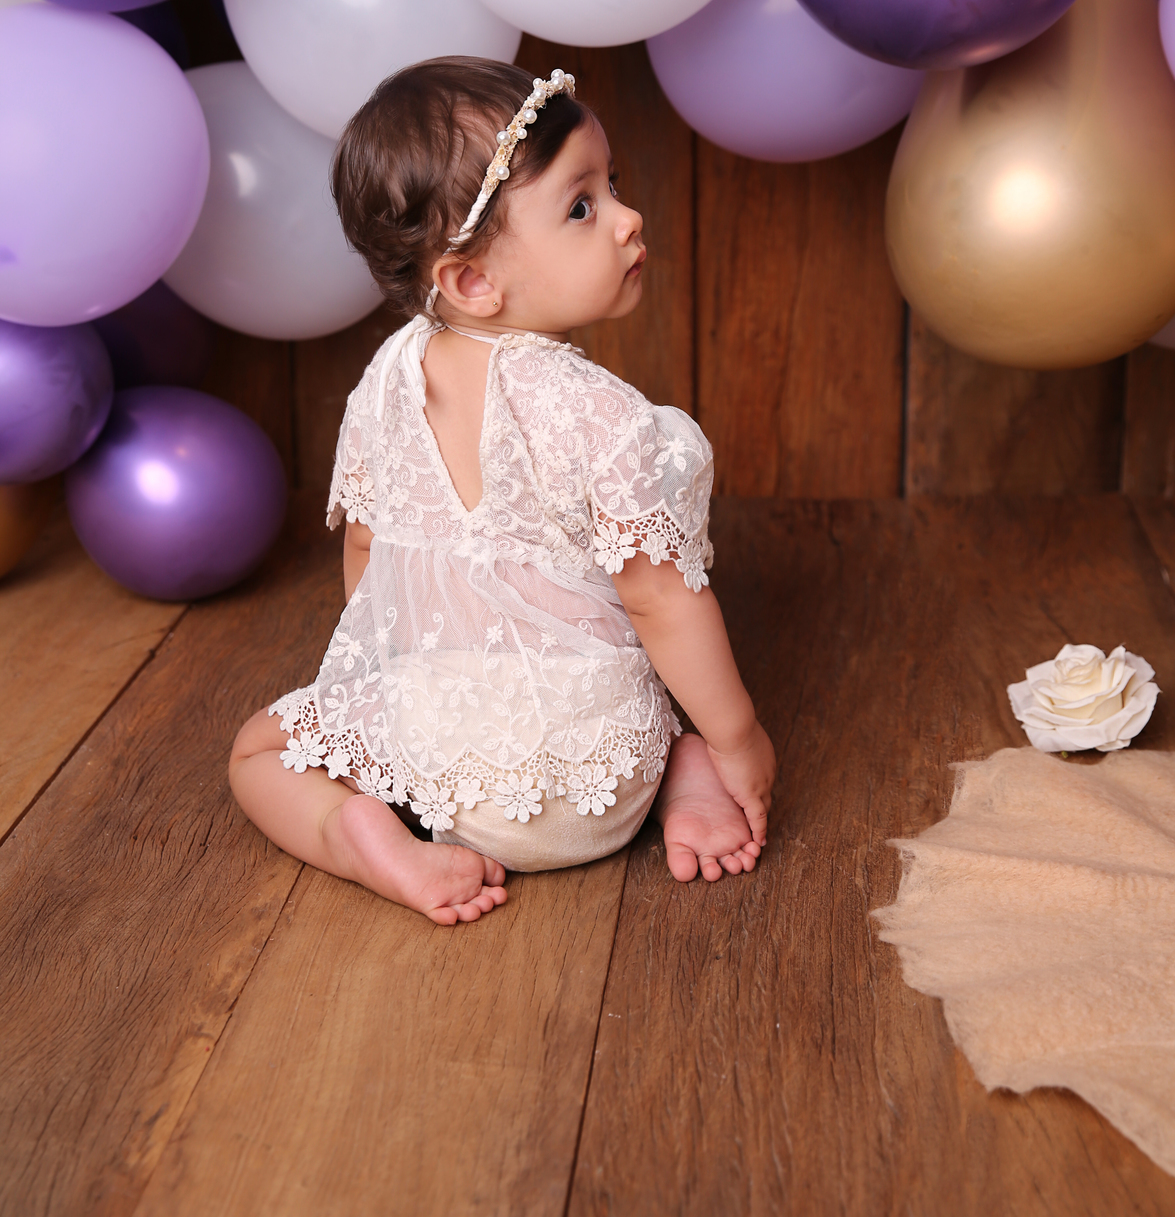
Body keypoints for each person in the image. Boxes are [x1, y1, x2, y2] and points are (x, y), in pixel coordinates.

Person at [229, 58, 775, 925]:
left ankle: (360, 835)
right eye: (582, 206)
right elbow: (661, 598)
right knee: (646, 684)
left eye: (612, 185)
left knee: (257, 753)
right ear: (472, 281)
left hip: (444, 782)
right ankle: (683, 769)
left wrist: (405, 693)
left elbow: (367, 557)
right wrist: (738, 738)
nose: (628, 218)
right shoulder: (602, 413)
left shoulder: (386, 379)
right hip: (603, 774)